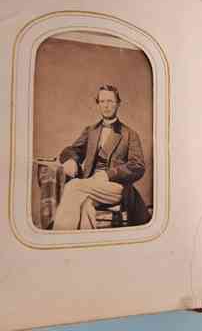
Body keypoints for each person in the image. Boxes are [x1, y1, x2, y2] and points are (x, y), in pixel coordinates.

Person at [53, 84, 148, 230]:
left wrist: (108, 174)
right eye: (102, 101)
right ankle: (85, 242)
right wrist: (71, 160)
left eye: (110, 101)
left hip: (116, 187)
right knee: (85, 205)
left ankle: (58, 238)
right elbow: (73, 150)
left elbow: (138, 166)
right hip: (91, 183)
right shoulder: (91, 130)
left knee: (73, 186)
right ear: (98, 104)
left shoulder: (130, 134)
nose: (106, 106)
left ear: (118, 103)